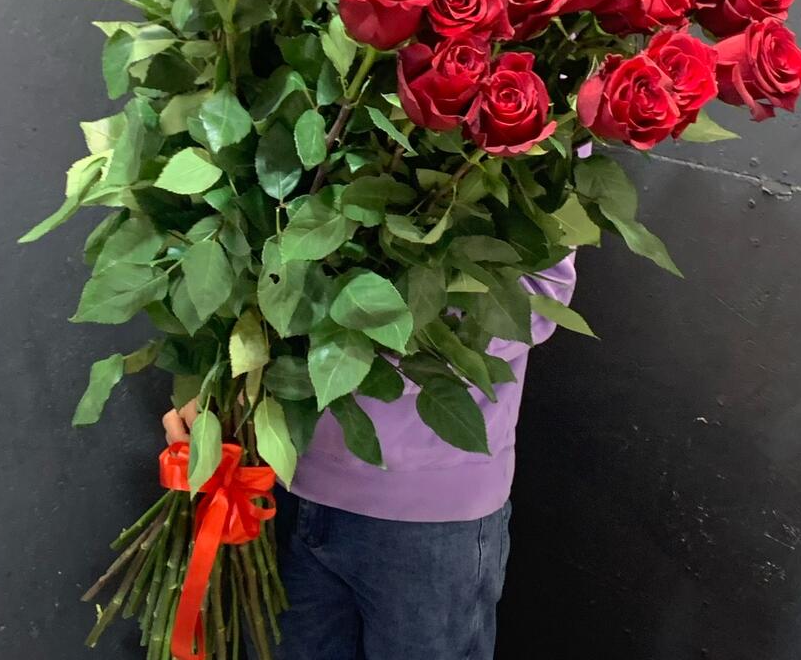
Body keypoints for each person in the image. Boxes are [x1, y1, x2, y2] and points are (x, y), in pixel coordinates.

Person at [162, 252, 577, 660]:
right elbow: (229, 273)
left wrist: (346, 355)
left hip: (428, 514)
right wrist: (212, 389)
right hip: (280, 483)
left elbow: (537, 296)